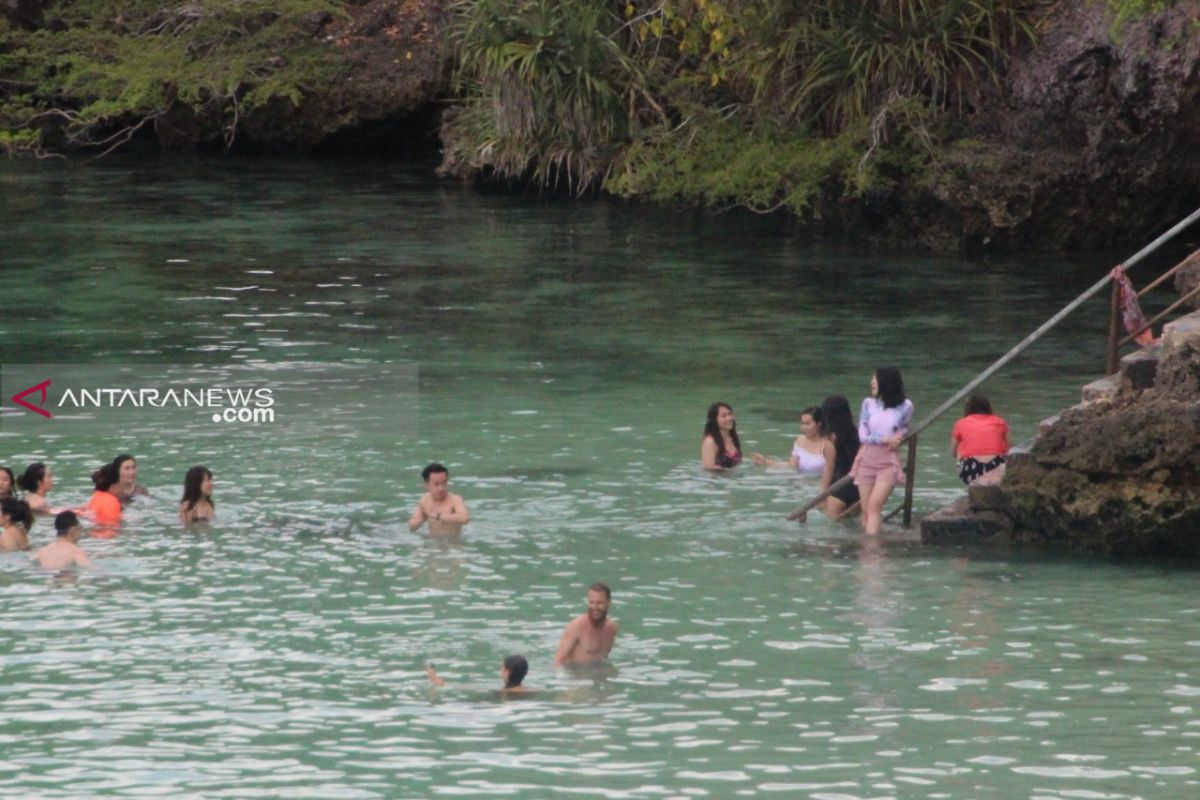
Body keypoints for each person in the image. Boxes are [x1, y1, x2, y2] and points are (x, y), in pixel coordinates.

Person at [852, 368, 913, 536]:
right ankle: (867, 553)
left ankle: (873, 548)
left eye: (875, 379)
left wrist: (899, 436)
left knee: (874, 506)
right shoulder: (868, 403)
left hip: (888, 461)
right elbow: (863, 435)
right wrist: (885, 439)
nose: (872, 383)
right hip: (866, 459)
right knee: (866, 510)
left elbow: (906, 427)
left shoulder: (906, 406)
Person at [554, 582, 618, 666]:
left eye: (599, 603)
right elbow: (558, 661)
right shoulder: (576, 626)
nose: (595, 607)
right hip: (578, 676)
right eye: (591, 602)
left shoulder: (612, 628)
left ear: (608, 603)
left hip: (601, 675)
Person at [819, 395, 862, 520]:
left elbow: (829, 467)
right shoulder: (859, 433)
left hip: (838, 488)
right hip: (858, 487)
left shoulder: (830, 437)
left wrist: (821, 496)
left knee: (832, 527)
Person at [951, 394, 1010, 484]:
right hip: (998, 467)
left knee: (960, 447)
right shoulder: (999, 421)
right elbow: (1010, 448)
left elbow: (953, 453)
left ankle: (973, 484)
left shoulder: (961, 423)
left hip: (972, 470)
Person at [752, 406, 831, 473]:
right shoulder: (800, 440)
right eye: (802, 424)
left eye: (808, 424)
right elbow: (790, 466)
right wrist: (765, 461)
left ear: (819, 423)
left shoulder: (827, 445)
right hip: (800, 484)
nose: (804, 428)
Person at [408, 463, 470, 535]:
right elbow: (411, 527)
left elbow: (464, 518)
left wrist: (436, 516)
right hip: (432, 542)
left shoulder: (455, 499)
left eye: (444, 483)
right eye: (436, 484)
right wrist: (423, 518)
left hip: (453, 543)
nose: (441, 488)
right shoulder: (425, 499)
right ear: (426, 485)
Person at [425, 654, 530, 694]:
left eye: (502, 667)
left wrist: (437, 680)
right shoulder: (532, 692)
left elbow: (459, 688)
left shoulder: (498, 693)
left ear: (507, 672)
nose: (500, 669)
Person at [700, 402, 742, 470]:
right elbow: (708, 469)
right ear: (714, 420)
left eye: (730, 414)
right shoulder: (710, 442)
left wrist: (754, 464)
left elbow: (738, 465)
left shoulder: (734, 437)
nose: (729, 418)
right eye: (724, 416)